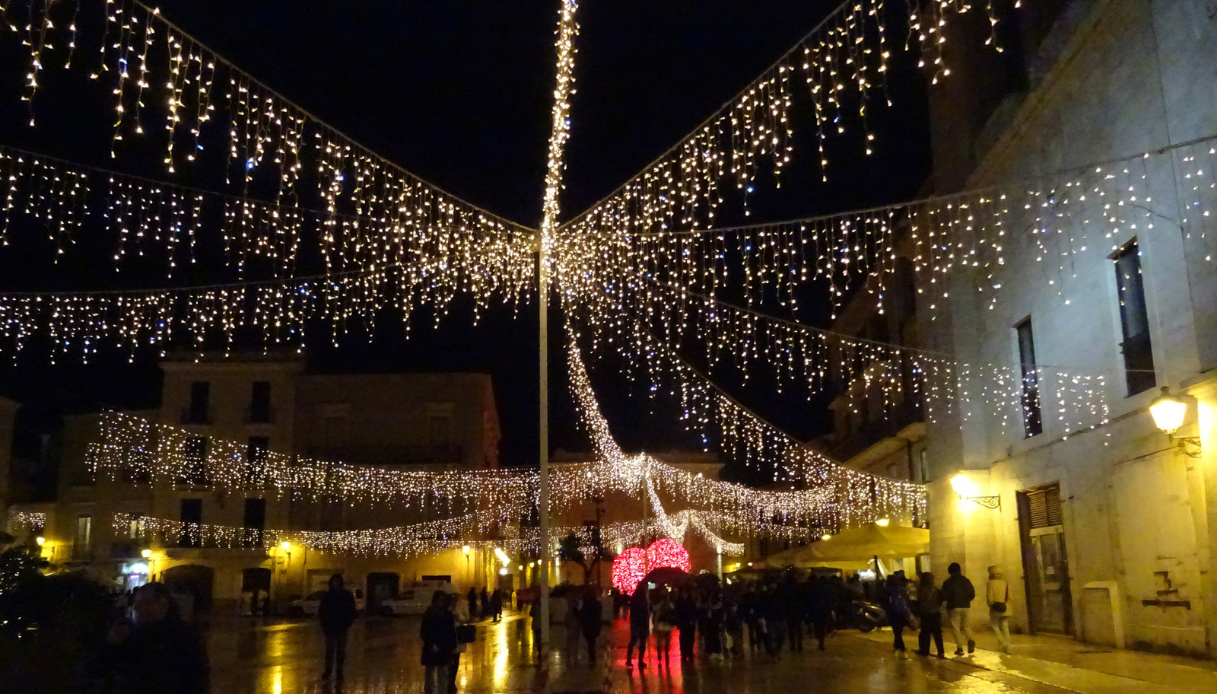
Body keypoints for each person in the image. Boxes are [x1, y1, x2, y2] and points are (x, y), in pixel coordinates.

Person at [87, 581, 209, 694]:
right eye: (136, 603)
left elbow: (195, 678)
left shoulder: (182, 636)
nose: (137, 608)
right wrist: (111, 644)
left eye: (147, 603)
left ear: (163, 606)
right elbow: (96, 669)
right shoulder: (126, 631)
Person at [319, 573, 358, 682]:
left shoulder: (346, 595)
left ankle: (339, 672)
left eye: (337, 582)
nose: (335, 584)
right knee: (330, 650)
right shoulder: (328, 596)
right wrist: (324, 624)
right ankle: (328, 672)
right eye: (334, 582)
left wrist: (347, 622)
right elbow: (322, 610)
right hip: (330, 627)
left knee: (340, 651)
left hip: (341, 626)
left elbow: (352, 610)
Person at [421, 591, 457, 694]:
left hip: (443, 647)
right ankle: (429, 691)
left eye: (442, 599)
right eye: (439, 599)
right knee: (430, 672)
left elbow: (451, 631)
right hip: (432, 646)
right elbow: (424, 630)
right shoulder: (430, 612)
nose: (441, 602)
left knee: (442, 673)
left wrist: (452, 645)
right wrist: (431, 643)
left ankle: (441, 691)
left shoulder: (447, 613)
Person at [942, 562, 977, 655]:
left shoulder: (948, 582)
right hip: (966, 605)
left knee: (955, 628)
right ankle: (970, 639)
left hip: (954, 606)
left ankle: (960, 647)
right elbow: (972, 593)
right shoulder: (966, 580)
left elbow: (944, 595)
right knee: (966, 626)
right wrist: (967, 600)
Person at [916, 571, 945, 658]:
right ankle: (941, 652)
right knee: (937, 634)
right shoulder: (936, 589)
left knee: (925, 633)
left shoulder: (920, 589)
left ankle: (924, 650)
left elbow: (918, 602)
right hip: (936, 613)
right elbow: (941, 600)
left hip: (925, 613)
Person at [882, 574, 912, 658]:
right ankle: (897, 645)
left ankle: (901, 646)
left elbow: (884, 601)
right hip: (902, 611)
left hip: (892, 612)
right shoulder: (901, 589)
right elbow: (906, 600)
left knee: (896, 630)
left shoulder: (887, 590)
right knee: (898, 629)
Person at [449, 587, 470, 694]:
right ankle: (449, 680)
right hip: (448, 633)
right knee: (448, 657)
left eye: (454, 595)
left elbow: (467, 617)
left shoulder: (463, 603)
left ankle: (452, 679)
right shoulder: (446, 603)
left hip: (459, 633)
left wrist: (459, 616)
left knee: (456, 658)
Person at [987, 565, 1011, 653]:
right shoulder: (1004, 582)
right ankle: (1008, 645)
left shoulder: (990, 583)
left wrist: (990, 605)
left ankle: (1002, 642)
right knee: (1005, 626)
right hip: (1005, 607)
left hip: (995, 607)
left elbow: (989, 596)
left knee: (995, 625)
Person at [625, 583, 650, 668]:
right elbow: (645, 612)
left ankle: (629, 659)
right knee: (642, 641)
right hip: (642, 622)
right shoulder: (643, 599)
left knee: (633, 640)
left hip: (635, 622)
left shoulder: (634, 598)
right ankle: (640, 660)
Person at [805, 575, 832, 652]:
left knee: (817, 626)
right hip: (822, 610)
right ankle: (821, 642)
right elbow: (828, 600)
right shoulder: (823, 589)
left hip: (815, 610)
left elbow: (808, 601)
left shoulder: (810, 589)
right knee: (822, 626)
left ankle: (820, 642)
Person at [577, 587, 604, 663]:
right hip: (594, 624)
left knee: (590, 641)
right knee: (592, 641)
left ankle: (591, 655)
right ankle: (592, 655)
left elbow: (582, 614)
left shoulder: (585, 604)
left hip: (587, 624)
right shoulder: (597, 604)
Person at [651, 590, 677, 665]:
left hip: (660, 621)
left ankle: (661, 652)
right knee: (666, 637)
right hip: (666, 622)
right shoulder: (668, 603)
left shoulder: (659, 603)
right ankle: (665, 652)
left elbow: (654, 609)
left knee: (661, 638)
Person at [675, 587, 698, 661]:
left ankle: (689, 652)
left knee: (690, 638)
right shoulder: (681, 602)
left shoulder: (689, 602)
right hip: (684, 622)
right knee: (685, 638)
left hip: (689, 622)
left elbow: (693, 612)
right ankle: (685, 652)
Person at [783, 578, 804, 653]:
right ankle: (799, 644)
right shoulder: (798, 590)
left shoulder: (786, 591)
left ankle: (793, 645)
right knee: (798, 629)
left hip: (790, 612)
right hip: (797, 612)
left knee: (791, 630)